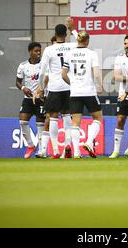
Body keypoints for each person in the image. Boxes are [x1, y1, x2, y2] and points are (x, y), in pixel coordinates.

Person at [36, 24, 77, 159]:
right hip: (68, 86)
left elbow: (42, 72)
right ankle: (67, 146)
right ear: (66, 34)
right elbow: (82, 41)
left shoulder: (49, 49)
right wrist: (74, 29)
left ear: (55, 34)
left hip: (54, 87)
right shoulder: (72, 46)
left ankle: (55, 151)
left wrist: (41, 87)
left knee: (53, 117)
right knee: (67, 115)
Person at [62, 31, 103, 159]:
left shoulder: (69, 54)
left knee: (75, 122)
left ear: (77, 41)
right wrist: (100, 86)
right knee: (97, 118)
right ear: (87, 41)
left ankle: (77, 153)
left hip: (75, 92)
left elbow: (63, 74)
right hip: (89, 91)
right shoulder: (92, 54)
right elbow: (96, 73)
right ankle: (89, 141)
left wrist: (72, 83)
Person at [16, 42, 45, 159]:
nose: (38, 53)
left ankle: (41, 150)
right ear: (30, 52)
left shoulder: (44, 64)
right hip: (28, 98)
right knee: (22, 121)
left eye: (39, 51)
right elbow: (17, 82)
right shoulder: (23, 65)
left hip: (41, 98)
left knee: (40, 124)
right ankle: (30, 145)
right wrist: (23, 88)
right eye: (36, 51)